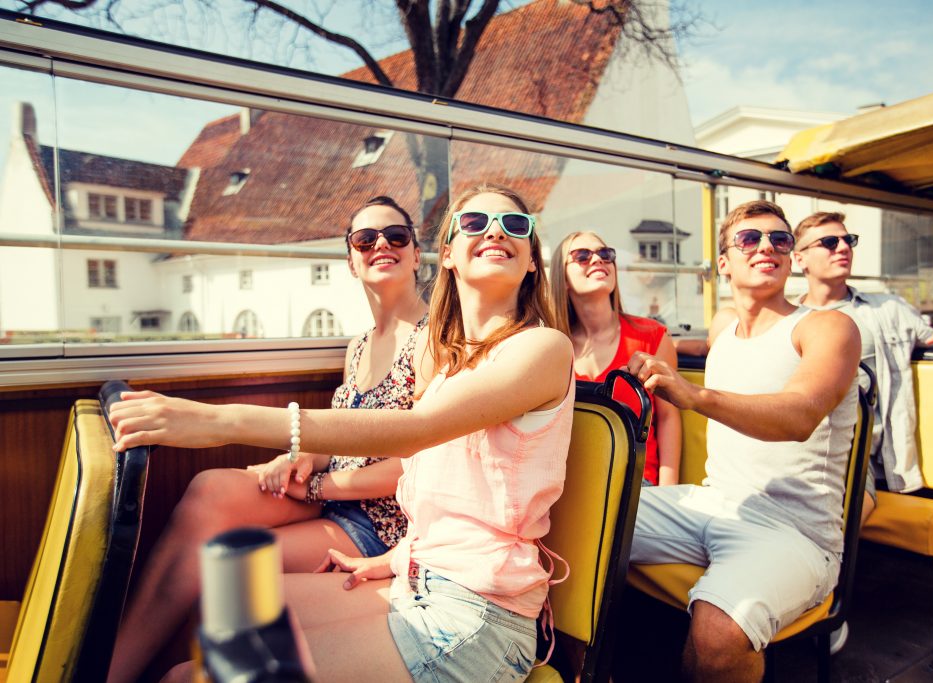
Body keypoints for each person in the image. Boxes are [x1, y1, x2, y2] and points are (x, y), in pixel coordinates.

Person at [109, 184, 575, 682]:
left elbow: (415, 433)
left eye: (515, 225)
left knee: (192, 678)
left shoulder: (542, 349)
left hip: (475, 616)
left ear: (531, 261)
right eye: (476, 224)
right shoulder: (453, 366)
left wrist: (220, 421)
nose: (497, 232)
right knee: (225, 605)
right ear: (449, 256)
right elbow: (451, 494)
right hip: (417, 578)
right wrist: (399, 557)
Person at [106, 196, 427, 683]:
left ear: (416, 253)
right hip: (331, 499)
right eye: (366, 239)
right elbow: (346, 426)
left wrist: (316, 488)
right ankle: (108, 670)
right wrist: (299, 457)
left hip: (378, 524)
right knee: (212, 489)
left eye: (395, 236)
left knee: (225, 568)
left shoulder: (432, 341)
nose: (381, 244)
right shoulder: (359, 345)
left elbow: (420, 463)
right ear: (350, 260)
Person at [625, 200, 860, 682]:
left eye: (780, 239)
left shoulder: (826, 327)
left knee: (718, 635)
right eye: (749, 239)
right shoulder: (722, 329)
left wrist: (695, 396)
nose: (767, 247)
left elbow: (799, 415)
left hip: (794, 531)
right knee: (580, 516)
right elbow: (723, 351)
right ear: (723, 265)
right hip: (713, 503)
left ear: (792, 257)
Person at [791, 211, 933, 522]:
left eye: (847, 240)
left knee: (830, 516)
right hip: (798, 442)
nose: (843, 248)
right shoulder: (789, 318)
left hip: (853, 451)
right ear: (800, 260)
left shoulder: (886, 309)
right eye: (829, 242)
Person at [550, 231, 682, 486]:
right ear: (562, 277)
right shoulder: (553, 348)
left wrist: (669, 493)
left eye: (605, 254)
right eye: (582, 256)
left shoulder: (651, 337)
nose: (598, 260)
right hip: (571, 485)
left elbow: (667, 418)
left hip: (638, 485)